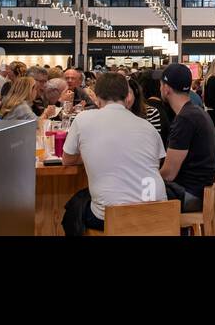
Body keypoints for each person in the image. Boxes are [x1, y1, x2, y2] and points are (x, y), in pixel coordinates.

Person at [61, 72, 166, 233]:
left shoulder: (83, 119)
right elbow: (154, 163)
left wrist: (89, 153)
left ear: (97, 96)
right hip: (157, 210)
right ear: (127, 96)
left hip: (111, 215)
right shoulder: (147, 126)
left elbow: (67, 160)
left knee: (74, 207)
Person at [158, 63, 215, 212]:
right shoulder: (197, 112)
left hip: (189, 194)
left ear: (166, 89)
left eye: (161, 85)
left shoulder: (185, 119)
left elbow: (169, 174)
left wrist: (147, 177)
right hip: (200, 190)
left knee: (134, 197)